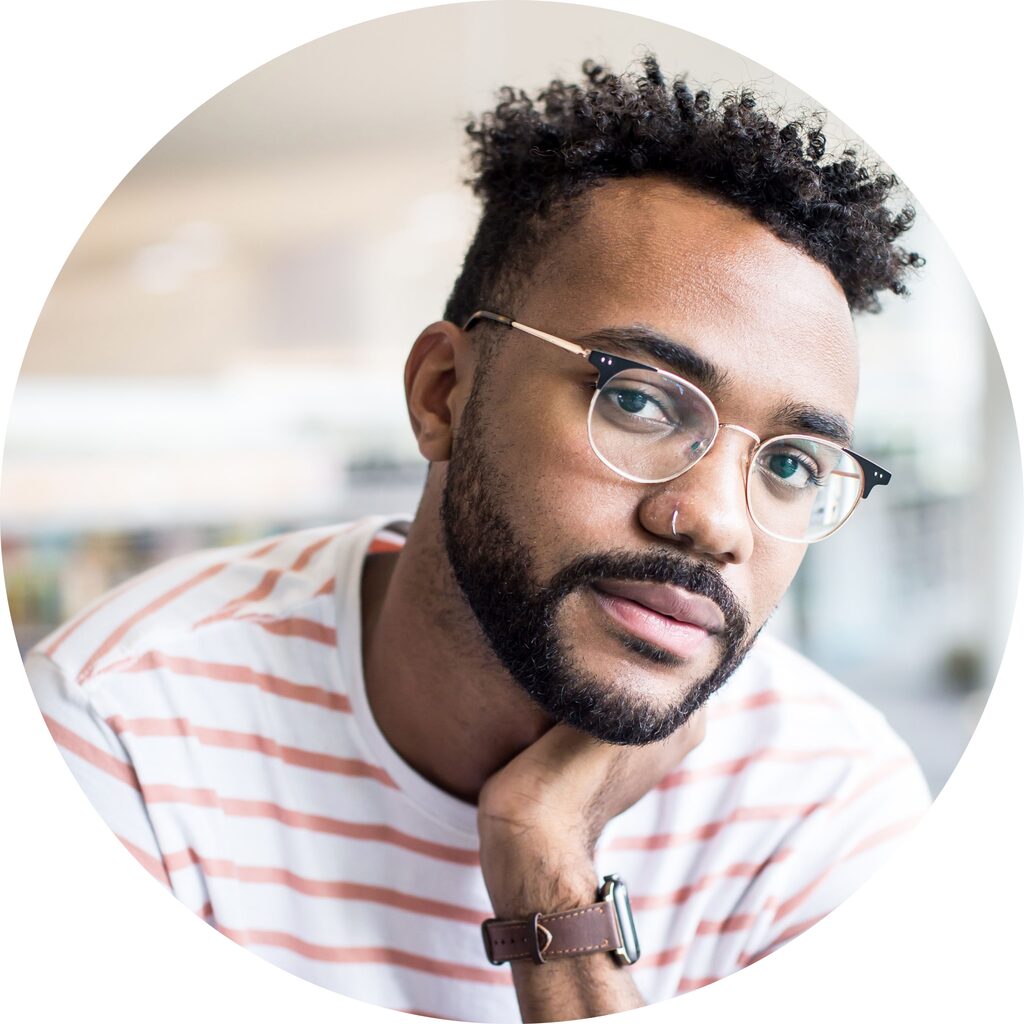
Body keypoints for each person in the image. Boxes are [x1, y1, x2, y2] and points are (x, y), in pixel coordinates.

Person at [26, 55, 931, 1024]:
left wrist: (549, 874)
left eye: (790, 465)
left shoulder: (827, 802)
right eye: (638, 401)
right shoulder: (124, 723)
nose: (714, 520)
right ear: (443, 395)